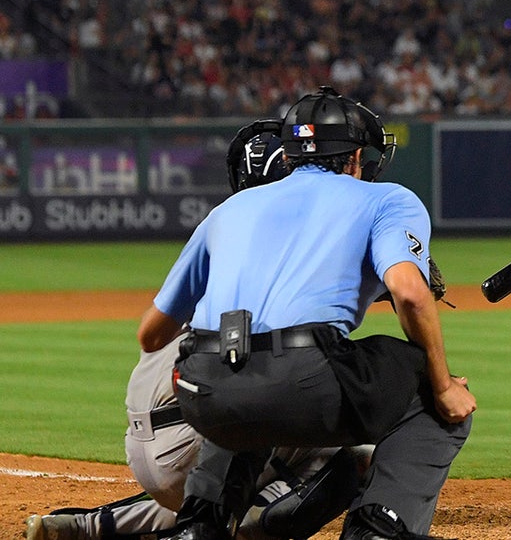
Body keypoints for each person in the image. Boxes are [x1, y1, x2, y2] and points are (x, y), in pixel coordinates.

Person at [138, 86, 475, 540]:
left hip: (202, 390)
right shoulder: (387, 199)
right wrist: (444, 385)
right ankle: (379, 527)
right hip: (305, 377)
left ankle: (199, 526)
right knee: (426, 380)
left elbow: (151, 335)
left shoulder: (229, 208)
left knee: (240, 374)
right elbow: (411, 295)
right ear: (356, 157)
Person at [25, 122, 372, 540]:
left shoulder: (226, 226)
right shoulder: (300, 248)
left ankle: (88, 525)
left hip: (147, 439)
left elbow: (150, 334)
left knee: (220, 473)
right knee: (348, 444)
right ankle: (254, 525)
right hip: (199, 437)